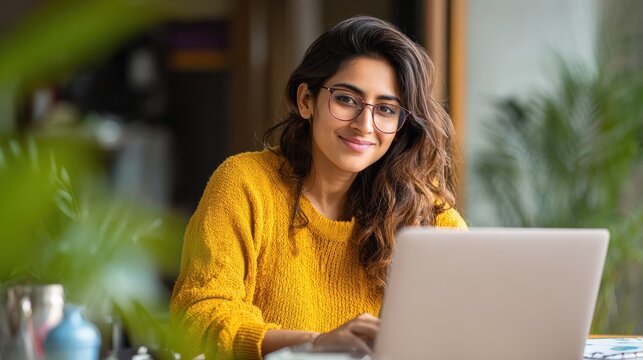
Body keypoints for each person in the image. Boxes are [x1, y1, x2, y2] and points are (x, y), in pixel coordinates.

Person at [170, 15, 467, 360]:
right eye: (346, 99)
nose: (364, 125)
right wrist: (314, 344)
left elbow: (471, 318)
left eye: (386, 109)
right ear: (306, 101)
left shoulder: (424, 213)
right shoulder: (244, 184)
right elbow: (196, 318)